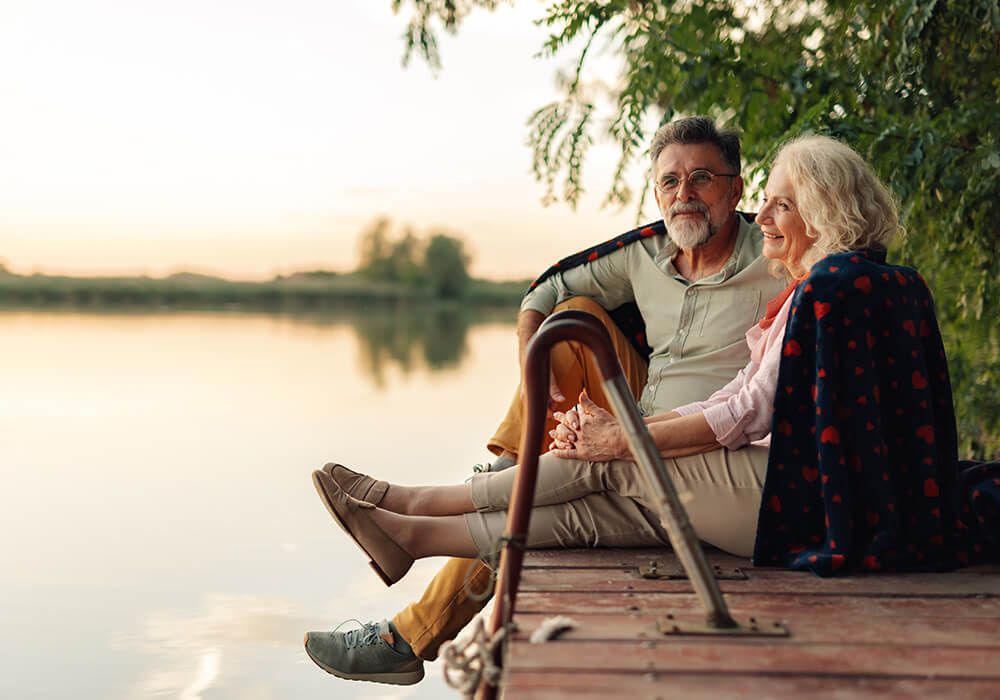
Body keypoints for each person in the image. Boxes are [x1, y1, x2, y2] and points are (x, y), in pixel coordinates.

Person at [303, 116, 787, 685]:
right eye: (669, 182)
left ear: (735, 188)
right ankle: (513, 467)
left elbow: (759, 395)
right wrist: (528, 356)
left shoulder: (778, 256)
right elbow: (548, 287)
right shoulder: (642, 254)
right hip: (636, 412)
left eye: (702, 178)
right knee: (570, 318)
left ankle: (414, 619)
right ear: (655, 192)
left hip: (707, 448)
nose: (684, 195)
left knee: (542, 487)